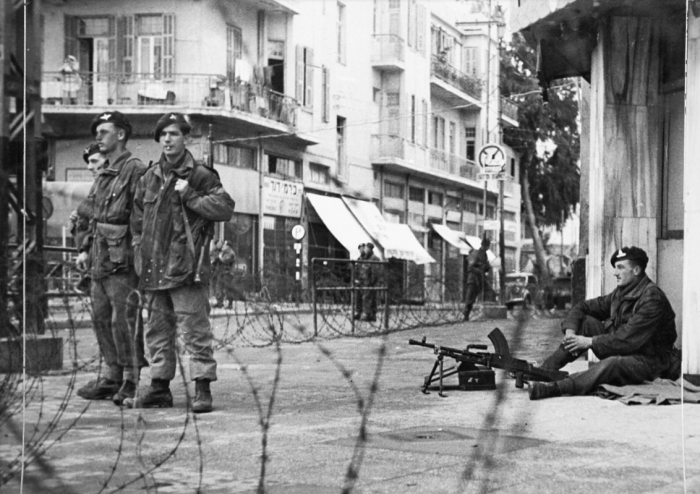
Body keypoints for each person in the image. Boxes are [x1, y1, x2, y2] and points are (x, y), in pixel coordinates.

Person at [127, 112, 235, 413]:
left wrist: (191, 196)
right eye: (163, 135)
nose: (167, 139)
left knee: (194, 329)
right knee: (157, 329)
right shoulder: (149, 177)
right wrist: (138, 249)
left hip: (186, 266)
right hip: (153, 265)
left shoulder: (199, 175)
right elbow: (137, 219)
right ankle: (160, 387)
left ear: (185, 138)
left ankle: (202, 387)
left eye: (173, 134)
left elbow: (225, 207)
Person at [529, 246, 680, 400]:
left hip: (654, 363)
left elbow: (627, 339)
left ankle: (558, 387)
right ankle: (544, 371)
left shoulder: (652, 298)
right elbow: (583, 307)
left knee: (613, 364)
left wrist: (589, 341)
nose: (615, 273)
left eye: (621, 267)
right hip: (629, 353)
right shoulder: (621, 292)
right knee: (584, 322)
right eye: (615, 268)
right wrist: (571, 332)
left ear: (636, 270)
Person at [74, 112, 149, 406]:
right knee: (101, 319)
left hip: (123, 260)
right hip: (99, 259)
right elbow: (88, 213)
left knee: (124, 320)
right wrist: (84, 247)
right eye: (97, 132)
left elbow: (141, 218)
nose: (98, 136)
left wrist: (140, 258)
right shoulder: (105, 174)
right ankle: (111, 375)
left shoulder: (135, 170)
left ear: (120, 135)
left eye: (104, 131)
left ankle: (131, 378)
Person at [463, 237, 492, 321]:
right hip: (473, 278)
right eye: (487, 245)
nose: (487, 247)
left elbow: (484, 267)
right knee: (470, 298)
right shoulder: (476, 253)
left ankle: (484, 313)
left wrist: (487, 267)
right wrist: (480, 269)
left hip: (479, 279)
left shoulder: (485, 254)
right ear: (484, 245)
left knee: (475, 297)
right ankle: (466, 315)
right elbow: (471, 267)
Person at [354, 243, 380, 322]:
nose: (364, 250)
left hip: (368, 282)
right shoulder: (362, 258)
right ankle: (361, 312)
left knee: (368, 298)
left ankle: (368, 314)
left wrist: (371, 282)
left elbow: (375, 272)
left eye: (365, 249)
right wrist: (356, 279)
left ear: (370, 249)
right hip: (362, 281)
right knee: (360, 297)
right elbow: (358, 269)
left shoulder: (374, 258)